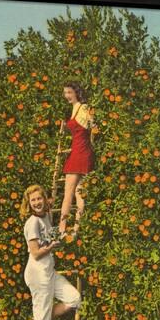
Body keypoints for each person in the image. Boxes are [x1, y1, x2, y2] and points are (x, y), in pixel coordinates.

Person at [20, 184, 82, 320]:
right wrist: (52, 246)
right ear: (28, 204)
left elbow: (58, 200)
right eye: (33, 201)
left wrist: (75, 192)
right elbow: (36, 253)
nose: (37, 203)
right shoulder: (32, 223)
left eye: (40, 199)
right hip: (38, 274)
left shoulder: (45, 215)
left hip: (49, 272)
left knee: (74, 299)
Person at [59, 81, 96, 237]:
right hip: (79, 151)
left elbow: (93, 127)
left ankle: (61, 230)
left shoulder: (84, 107)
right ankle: (75, 230)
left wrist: (90, 140)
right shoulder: (74, 108)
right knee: (79, 192)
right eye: (65, 93)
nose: (66, 96)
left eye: (69, 92)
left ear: (76, 93)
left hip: (81, 152)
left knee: (69, 192)